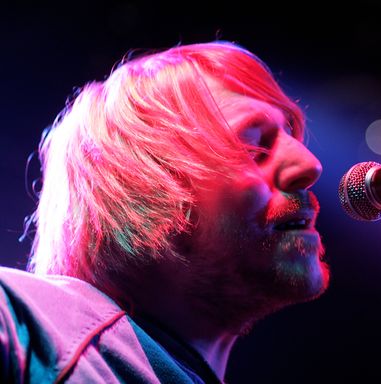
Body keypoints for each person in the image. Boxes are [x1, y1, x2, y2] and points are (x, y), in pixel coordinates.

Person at [0, 41, 329, 383]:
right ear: (143, 185)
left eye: (292, 136)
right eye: (254, 145)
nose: (309, 165)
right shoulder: (30, 328)